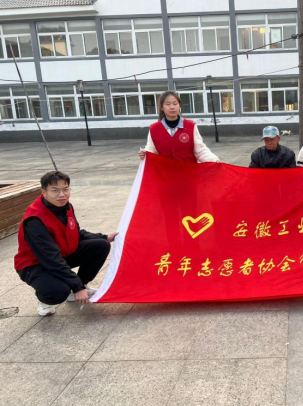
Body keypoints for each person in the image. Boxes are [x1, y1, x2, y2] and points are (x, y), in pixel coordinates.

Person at [13, 171, 118, 316]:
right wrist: (77, 286)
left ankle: (79, 287)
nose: (62, 195)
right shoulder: (35, 220)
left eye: (65, 189)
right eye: (55, 190)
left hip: (61, 253)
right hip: (35, 264)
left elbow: (76, 233)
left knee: (101, 245)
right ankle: (43, 298)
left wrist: (105, 237)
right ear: (44, 192)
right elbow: (51, 258)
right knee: (58, 291)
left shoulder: (66, 206)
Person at [138, 91, 219, 163]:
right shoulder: (154, 129)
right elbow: (151, 149)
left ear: (179, 105)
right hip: (165, 173)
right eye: (168, 104)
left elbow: (200, 150)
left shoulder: (190, 126)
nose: (172, 107)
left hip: (188, 172)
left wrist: (214, 160)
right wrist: (145, 153)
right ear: (161, 107)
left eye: (175, 104)